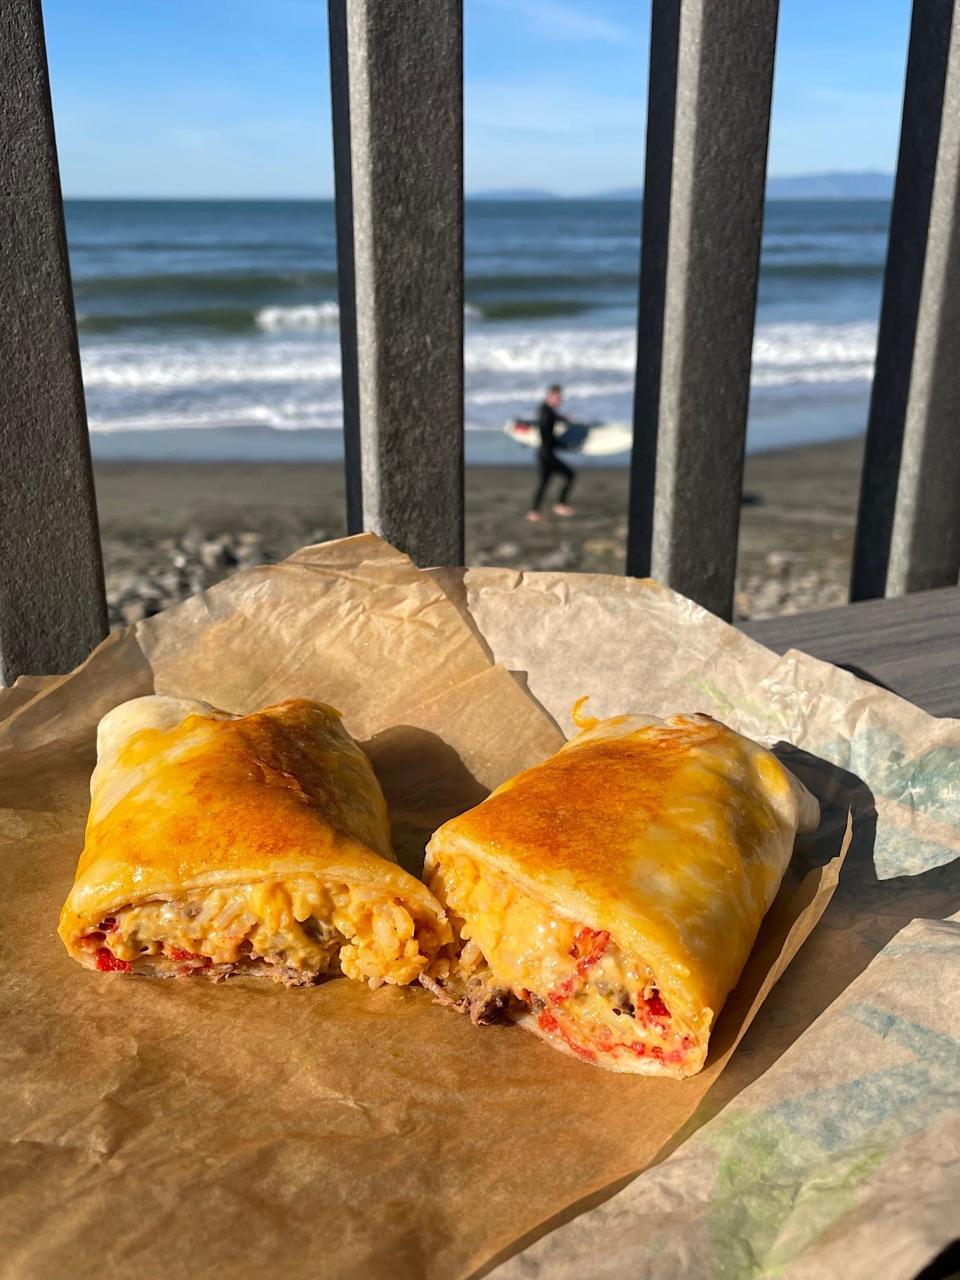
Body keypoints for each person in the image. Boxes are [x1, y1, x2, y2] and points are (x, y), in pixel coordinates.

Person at [526, 384, 576, 522]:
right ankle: (561, 505)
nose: (559, 401)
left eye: (560, 399)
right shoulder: (547, 413)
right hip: (547, 454)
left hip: (542, 453)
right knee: (570, 474)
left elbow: (553, 418)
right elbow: (547, 434)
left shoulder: (545, 410)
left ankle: (533, 512)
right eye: (557, 398)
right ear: (550, 396)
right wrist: (564, 445)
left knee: (544, 482)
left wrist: (564, 419)